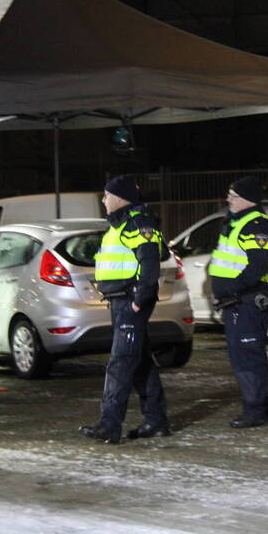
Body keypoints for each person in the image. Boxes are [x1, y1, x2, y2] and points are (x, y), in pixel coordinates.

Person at [80, 175, 169, 444]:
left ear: (120, 198)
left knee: (120, 362)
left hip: (130, 301)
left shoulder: (137, 223)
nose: (103, 200)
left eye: (106, 195)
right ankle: (156, 421)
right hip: (121, 300)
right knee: (140, 361)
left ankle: (109, 424)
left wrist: (139, 299)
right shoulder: (121, 224)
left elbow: (150, 262)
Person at [209, 176, 268, 428]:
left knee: (247, 357)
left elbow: (256, 266)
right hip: (236, 302)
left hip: (246, 301)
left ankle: (255, 410)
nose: (228, 199)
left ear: (248, 199)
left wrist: (232, 289)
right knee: (243, 355)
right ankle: (261, 405)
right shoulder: (236, 222)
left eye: (233, 195)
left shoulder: (257, 225)